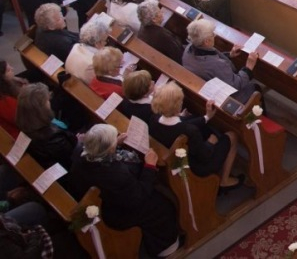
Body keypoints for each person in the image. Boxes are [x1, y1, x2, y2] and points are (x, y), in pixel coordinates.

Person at [68, 124, 180, 258]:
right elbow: (139, 195)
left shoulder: (80, 152)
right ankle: (165, 248)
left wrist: (114, 143)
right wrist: (150, 166)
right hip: (115, 211)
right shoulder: (115, 174)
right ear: (109, 149)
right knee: (163, 207)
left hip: (107, 198)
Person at [149, 82, 242, 191]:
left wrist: (207, 117)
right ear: (177, 107)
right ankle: (224, 182)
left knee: (204, 129)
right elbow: (205, 156)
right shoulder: (190, 131)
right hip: (197, 167)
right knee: (232, 136)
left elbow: (181, 122)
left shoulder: (154, 119)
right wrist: (210, 142)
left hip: (177, 158)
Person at [182, 19, 259, 104]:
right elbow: (236, 84)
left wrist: (229, 54)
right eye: (212, 34)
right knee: (254, 87)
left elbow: (212, 57)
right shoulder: (216, 65)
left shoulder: (188, 50)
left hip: (207, 86)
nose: (214, 36)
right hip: (226, 96)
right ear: (206, 41)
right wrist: (249, 67)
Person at [15, 83, 77, 171]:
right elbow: (71, 156)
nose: (50, 102)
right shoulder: (55, 138)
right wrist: (77, 140)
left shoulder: (25, 123)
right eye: (47, 100)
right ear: (41, 109)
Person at [136, 0, 184, 64]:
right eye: (159, 12)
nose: (162, 12)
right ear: (154, 19)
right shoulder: (163, 36)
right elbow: (178, 54)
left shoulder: (142, 27)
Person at [65, 18, 110, 85]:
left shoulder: (76, 46)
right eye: (105, 40)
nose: (106, 43)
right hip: (83, 88)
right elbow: (103, 83)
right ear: (97, 43)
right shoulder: (93, 64)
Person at [0, 61, 25, 137]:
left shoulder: (12, 84)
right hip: (22, 134)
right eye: (8, 70)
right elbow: (23, 119)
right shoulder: (5, 102)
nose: (12, 68)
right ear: (2, 78)